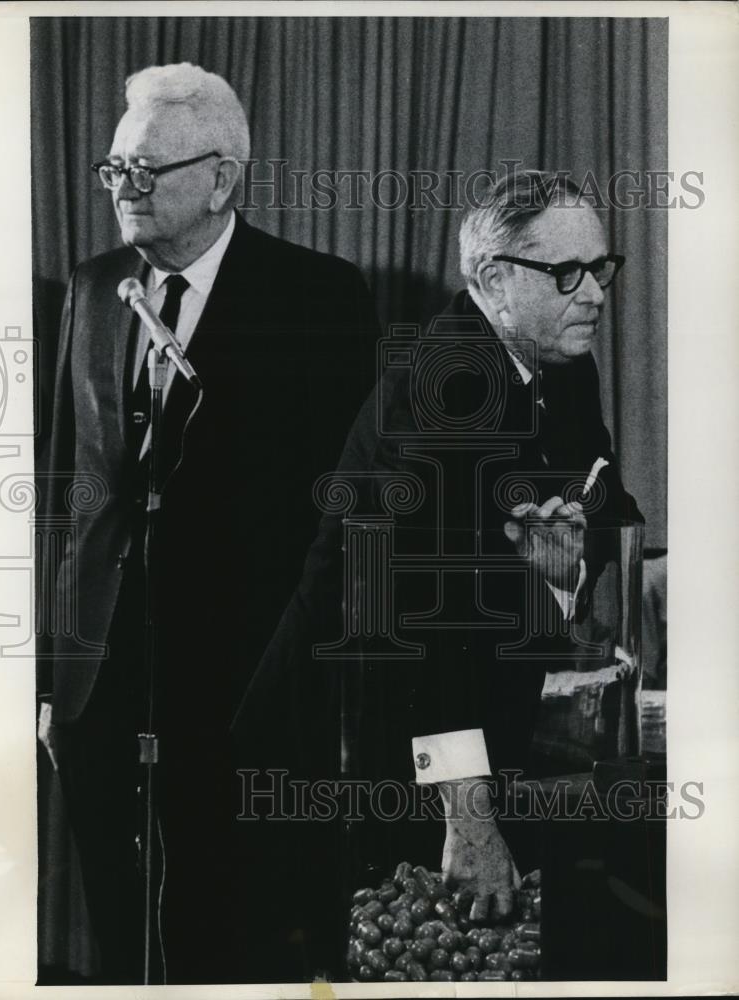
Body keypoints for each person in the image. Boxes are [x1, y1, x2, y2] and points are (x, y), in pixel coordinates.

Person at [233, 170, 643, 977]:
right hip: (347, 744)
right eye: (567, 273)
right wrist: (470, 815)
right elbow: (410, 621)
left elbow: (607, 496)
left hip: (463, 718)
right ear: (492, 280)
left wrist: (566, 545)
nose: (593, 292)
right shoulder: (436, 392)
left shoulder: (564, 359)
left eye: (602, 267)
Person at [36, 62, 379, 984]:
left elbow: (341, 516)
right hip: (100, 675)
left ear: (222, 177)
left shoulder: (318, 296)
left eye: (147, 170)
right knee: (119, 928)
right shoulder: (91, 285)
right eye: (114, 171)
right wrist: (48, 672)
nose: (125, 191)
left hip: (243, 684)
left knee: (227, 931)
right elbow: (72, 497)